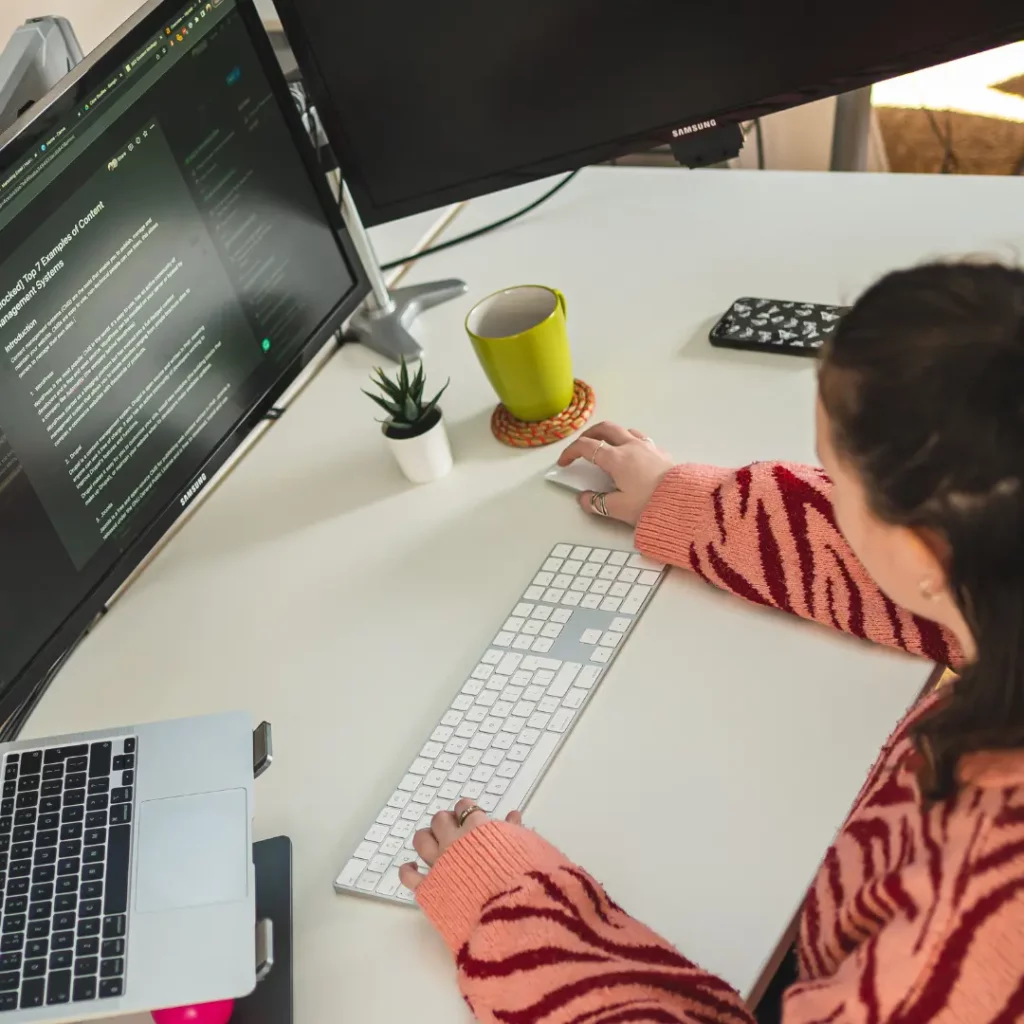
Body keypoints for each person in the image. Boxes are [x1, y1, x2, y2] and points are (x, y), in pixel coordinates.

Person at [398, 261, 1024, 1023]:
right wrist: (691, 505)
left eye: (835, 475)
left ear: (928, 555)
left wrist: (517, 911)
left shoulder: (964, 935)